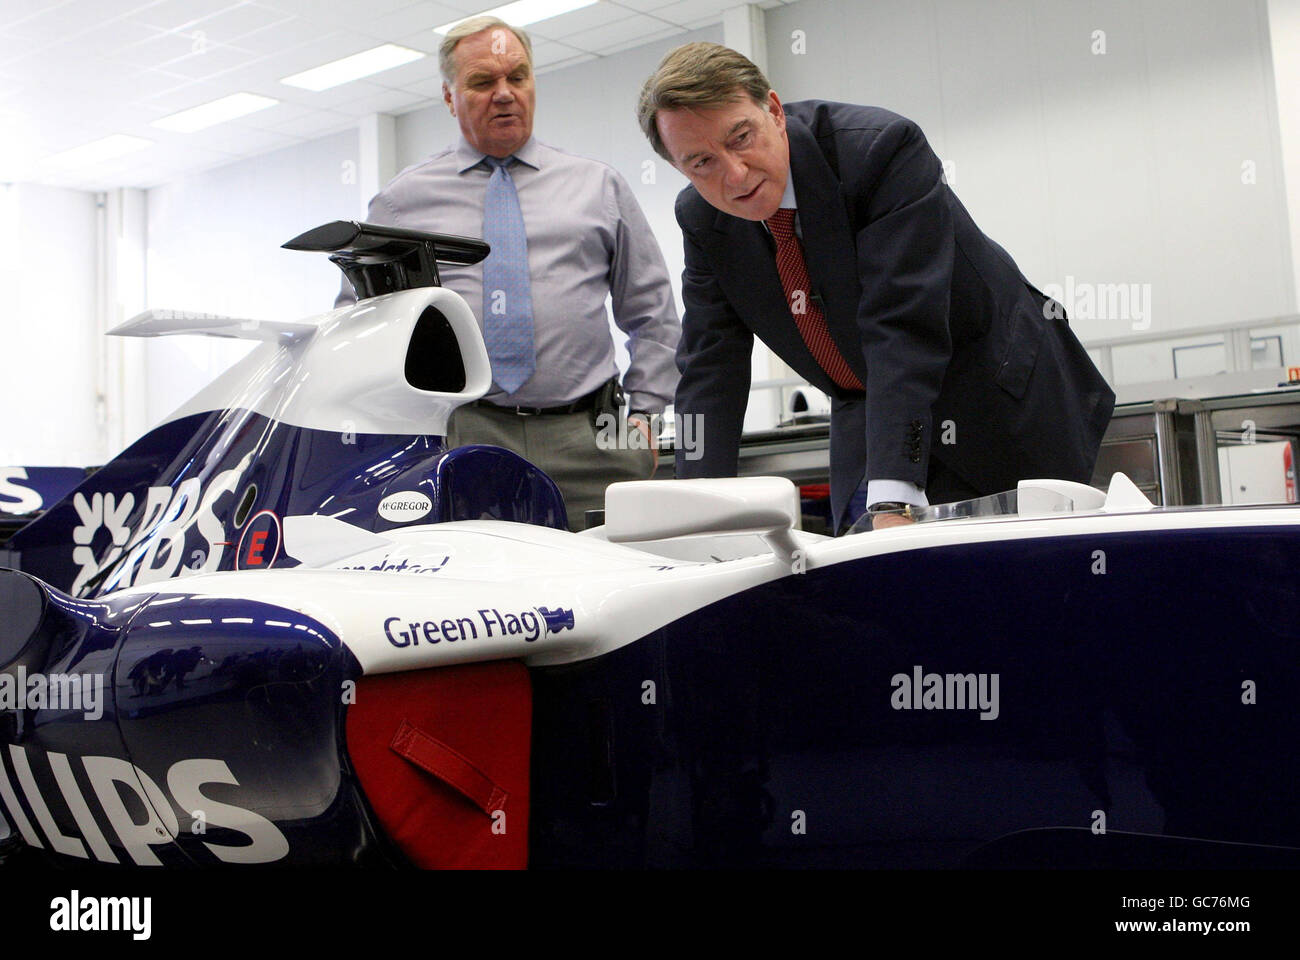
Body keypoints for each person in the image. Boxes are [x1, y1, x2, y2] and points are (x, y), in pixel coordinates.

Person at [636, 42, 1115, 532]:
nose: (733, 175)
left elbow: (901, 325)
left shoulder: (878, 151)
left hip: (995, 393)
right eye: (701, 164)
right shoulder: (702, 218)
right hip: (867, 406)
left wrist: (895, 503)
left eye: (741, 138)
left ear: (774, 111)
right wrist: (698, 514)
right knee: (870, 583)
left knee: (1009, 582)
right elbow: (710, 366)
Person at [337, 16, 680, 530]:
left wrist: (645, 418)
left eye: (517, 77)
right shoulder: (402, 202)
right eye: (482, 82)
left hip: (592, 435)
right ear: (450, 97)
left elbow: (653, 311)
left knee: (616, 587)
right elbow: (358, 325)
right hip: (462, 434)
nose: (504, 94)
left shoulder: (598, 187)